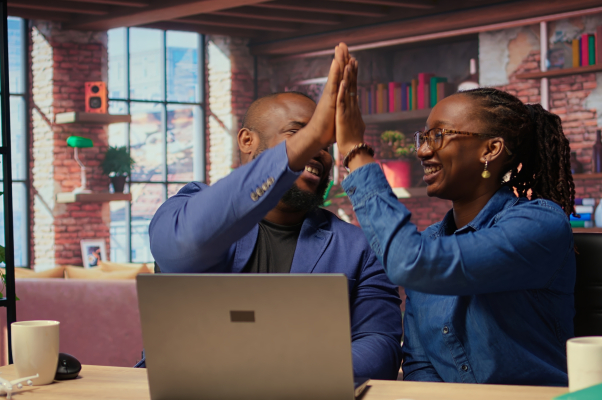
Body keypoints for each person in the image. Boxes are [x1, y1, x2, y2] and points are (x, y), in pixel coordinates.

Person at [142, 46, 403, 380]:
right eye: (300, 133)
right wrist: (308, 140)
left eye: (325, 143)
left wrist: (287, 377)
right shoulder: (189, 206)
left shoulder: (360, 247)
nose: (319, 151)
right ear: (247, 140)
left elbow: (379, 343)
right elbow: (180, 248)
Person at [334, 46, 576, 385]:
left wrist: (356, 154)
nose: (422, 150)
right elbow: (419, 362)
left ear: (490, 149)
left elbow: (410, 262)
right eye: (424, 137)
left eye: (439, 135)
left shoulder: (540, 224)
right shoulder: (432, 241)